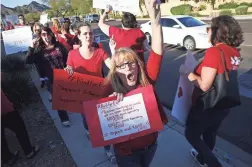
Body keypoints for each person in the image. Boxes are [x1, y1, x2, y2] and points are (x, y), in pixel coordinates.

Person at [105, 1, 167, 166]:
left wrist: (155, 21)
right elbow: (103, 121)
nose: (127, 67)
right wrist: (111, 104)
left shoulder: (147, 80)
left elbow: (157, 51)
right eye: (122, 65)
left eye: (131, 62)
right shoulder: (111, 87)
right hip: (126, 153)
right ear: (116, 69)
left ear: (138, 65)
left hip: (150, 147)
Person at [180, 15, 243, 167]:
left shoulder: (214, 51)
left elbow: (204, 85)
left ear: (217, 32)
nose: (207, 31)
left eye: (209, 28)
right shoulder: (234, 52)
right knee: (210, 132)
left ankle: (213, 163)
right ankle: (203, 159)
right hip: (224, 103)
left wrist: (187, 72)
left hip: (208, 104)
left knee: (191, 134)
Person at [64, 22, 115, 164]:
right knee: (86, 120)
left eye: (90, 33)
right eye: (85, 33)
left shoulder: (100, 52)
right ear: (79, 36)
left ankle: (108, 150)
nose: (88, 36)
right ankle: (87, 129)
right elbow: (69, 69)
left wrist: (113, 51)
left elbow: (112, 65)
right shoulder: (72, 54)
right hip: (83, 96)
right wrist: (68, 71)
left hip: (101, 94)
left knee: (105, 125)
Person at [26, 26, 71, 127]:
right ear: (41, 37)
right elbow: (28, 61)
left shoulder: (58, 45)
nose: (46, 37)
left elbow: (68, 57)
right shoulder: (39, 50)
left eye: (47, 34)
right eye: (43, 35)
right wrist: (31, 48)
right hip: (52, 79)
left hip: (64, 75)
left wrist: (69, 66)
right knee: (58, 98)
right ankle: (64, 118)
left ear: (51, 35)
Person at [1, 89, 40, 166]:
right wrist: (9, 107)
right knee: (19, 128)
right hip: (5, 110)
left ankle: (7, 158)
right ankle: (29, 151)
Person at [32, 22, 47, 88]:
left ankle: (47, 82)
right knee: (40, 71)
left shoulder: (44, 35)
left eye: (39, 30)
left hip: (44, 56)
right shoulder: (32, 36)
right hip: (37, 57)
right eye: (36, 30)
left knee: (45, 70)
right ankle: (43, 82)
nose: (37, 31)